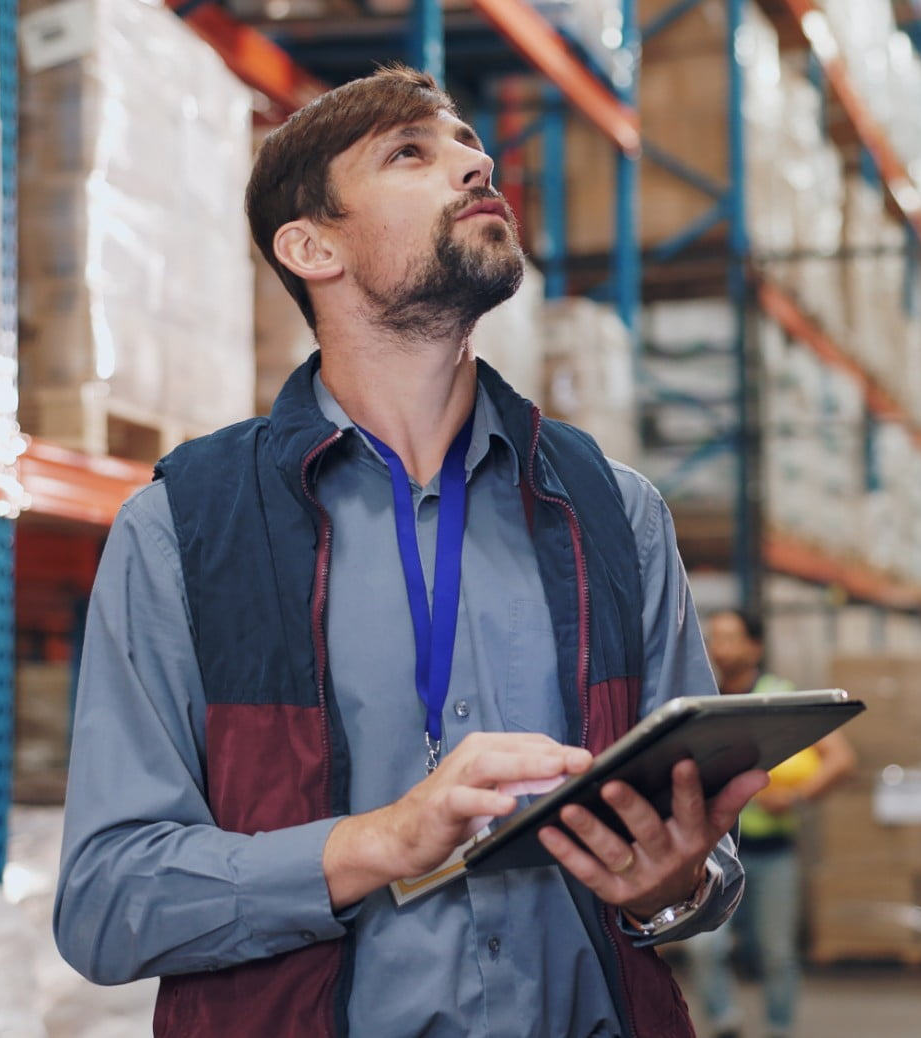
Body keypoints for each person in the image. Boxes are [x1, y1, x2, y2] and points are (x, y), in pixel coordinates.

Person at [53, 65, 770, 1037]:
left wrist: (671, 883)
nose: (476, 163)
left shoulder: (614, 513)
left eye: (471, 143)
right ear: (312, 246)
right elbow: (107, 905)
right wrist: (382, 840)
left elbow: (697, 872)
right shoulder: (187, 529)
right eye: (411, 153)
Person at [688, 610, 855, 1038]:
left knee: (777, 954)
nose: (719, 647)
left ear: (755, 646)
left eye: (730, 637)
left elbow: (841, 759)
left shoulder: (778, 698)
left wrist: (797, 797)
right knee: (705, 945)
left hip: (772, 853)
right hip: (715, 855)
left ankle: (780, 1029)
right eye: (714, 637)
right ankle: (725, 1022)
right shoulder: (703, 699)